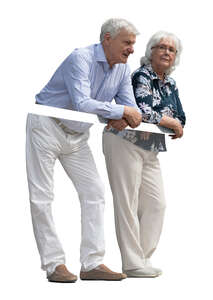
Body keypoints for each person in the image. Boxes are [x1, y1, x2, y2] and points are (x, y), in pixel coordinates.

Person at [26, 18, 142, 283]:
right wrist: (118, 112)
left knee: (95, 192)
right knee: (41, 196)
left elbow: (129, 108)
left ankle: (92, 264)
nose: (132, 49)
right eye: (127, 43)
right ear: (107, 39)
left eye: (134, 44)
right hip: (46, 125)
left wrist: (123, 116)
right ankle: (54, 265)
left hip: (77, 135)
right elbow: (82, 102)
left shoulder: (123, 69)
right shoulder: (81, 58)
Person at [103, 31, 186, 278]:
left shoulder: (171, 83)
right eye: (161, 47)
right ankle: (132, 262)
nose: (166, 52)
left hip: (151, 147)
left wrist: (169, 121)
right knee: (127, 203)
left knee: (156, 204)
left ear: (175, 57)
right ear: (150, 52)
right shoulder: (142, 75)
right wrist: (168, 120)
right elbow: (141, 110)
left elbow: (181, 118)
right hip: (124, 141)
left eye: (171, 49)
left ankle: (143, 257)